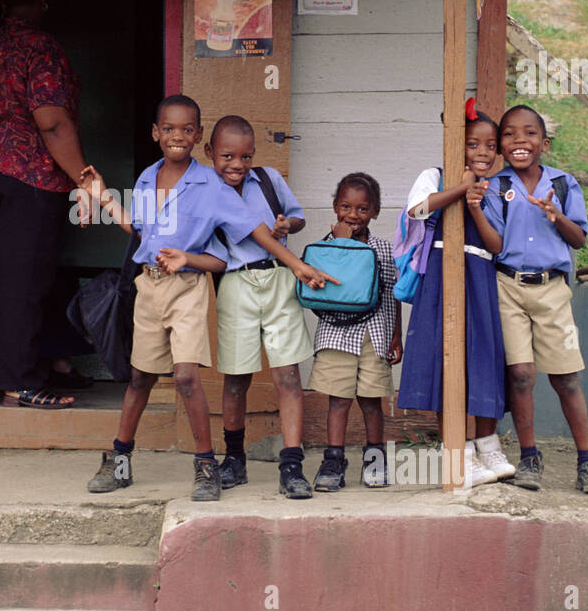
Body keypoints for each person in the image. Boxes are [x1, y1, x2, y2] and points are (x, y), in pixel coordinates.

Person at [80, 95, 336, 501]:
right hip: (149, 287)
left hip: (188, 285)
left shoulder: (213, 185)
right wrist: (104, 198)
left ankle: (205, 466)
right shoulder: (148, 177)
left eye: (186, 129)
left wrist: (295, 264)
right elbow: (142, 232)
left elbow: (256, 231)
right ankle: (119, 459)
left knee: (185, 376)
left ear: (197, 136)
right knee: (140, 378)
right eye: (168, 129)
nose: (176, 136)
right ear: (155, 133)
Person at [0, 0, 97, 409]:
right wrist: (85, 177)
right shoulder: (40, 46)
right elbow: (52, 120)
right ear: (40, 0)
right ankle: (21, 381)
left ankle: (10, 373)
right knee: (25, 283)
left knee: (1, 281)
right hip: (29, 176)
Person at [482, 104, 588, 495]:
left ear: (545, 143)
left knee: (566, 378)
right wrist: (476, 211)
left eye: (530, 133)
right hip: (508, 287)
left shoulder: (564, 184)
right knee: (521, 376)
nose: (520, 140)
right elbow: (498, 245)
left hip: (553, 290)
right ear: (501, 147)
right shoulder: (496, 187)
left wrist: (556, 213)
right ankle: (529, 457)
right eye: (509, 134)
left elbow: (579, 239)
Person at [397, 105, 512, 487]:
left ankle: (487, 445)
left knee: (483, 357)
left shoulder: (497, 186)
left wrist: (476, 201)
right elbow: (417, 209)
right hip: (441, 275)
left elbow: (496, 244)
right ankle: (456, 453)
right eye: (472, 144)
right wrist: (461, 188)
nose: (482, 152)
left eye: (490, 146)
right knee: (443, 361)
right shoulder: (435, 175)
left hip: (479, 275)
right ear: (456, 144)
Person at [201, 116, 315, 499]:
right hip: (235, 284)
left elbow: (297, 216)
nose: (237, 164)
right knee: (236, 377)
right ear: (209, 153)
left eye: (246, 156)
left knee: (288, 375)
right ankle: (234, 459)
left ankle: (292, 465)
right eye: (227, 156)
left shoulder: (267, 179)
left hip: (279, 279)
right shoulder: (205, 191)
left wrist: (288, 224)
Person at [308, 173, 401, 491]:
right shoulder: (325, 247)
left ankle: (375, 459)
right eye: (346, 206)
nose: (353, 215)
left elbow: (391, 294)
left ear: (375, 211)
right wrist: (343, 243)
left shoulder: (383, 250)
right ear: (335, 207)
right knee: (338, 401)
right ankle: (333, 461)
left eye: (362, 209)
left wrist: (396, 336)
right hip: (336, 335)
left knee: (372, 402)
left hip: (374, 336)